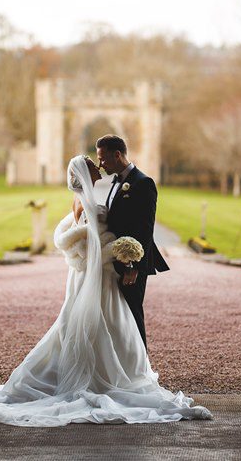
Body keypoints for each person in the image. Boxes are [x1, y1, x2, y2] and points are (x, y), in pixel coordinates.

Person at [0, 152, 211, 427]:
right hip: (98, 273)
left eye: (100, 161)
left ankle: (124, 370)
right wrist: (117, 250)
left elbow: (87, 233)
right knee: (105, 321)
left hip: (92, 274)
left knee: (99, 321)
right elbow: (90, 242)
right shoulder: (85, 198)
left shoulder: (87, 194)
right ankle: (114, 376)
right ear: (84, 174)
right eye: (93, 165)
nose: (99, 167)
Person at [94, 133, 165, 341]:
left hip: (132, 262)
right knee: (119, 317)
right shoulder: (116, 182)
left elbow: (145, 228)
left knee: (133, 313)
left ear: (117, 155)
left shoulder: (143, 183)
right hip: (115, 258)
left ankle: (140, 366)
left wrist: (133, 265)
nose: (100, 164)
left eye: (103, 158)